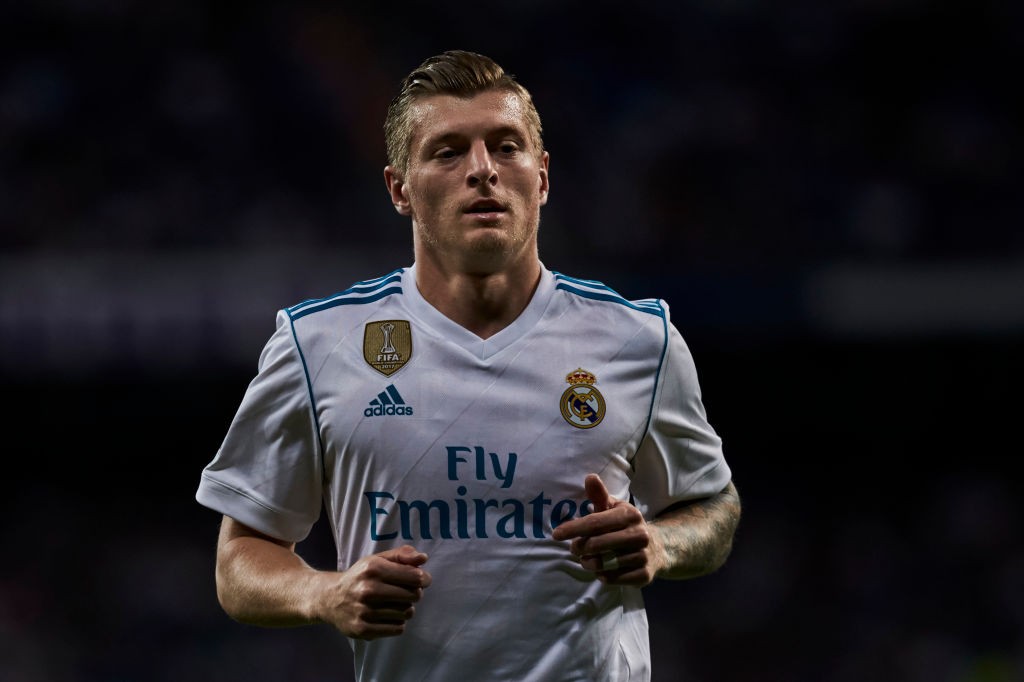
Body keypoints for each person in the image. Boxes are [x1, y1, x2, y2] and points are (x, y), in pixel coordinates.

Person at [196, 49, 741, 682]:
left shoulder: (639, 339)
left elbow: (714, 508)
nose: (482, 170)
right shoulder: (318, 343)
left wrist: (660, 544)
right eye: (448, 151)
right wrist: (324, 593)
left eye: (506, 147)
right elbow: (239, 561)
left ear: (541, 177)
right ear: (400, 187)